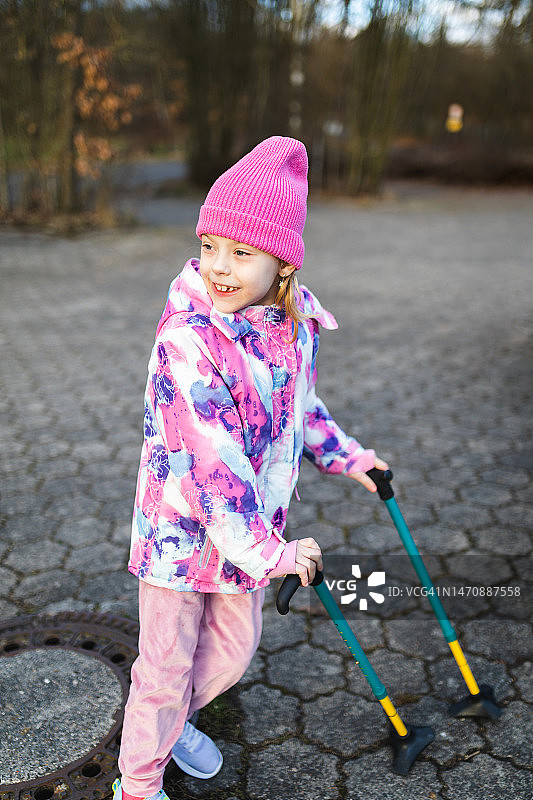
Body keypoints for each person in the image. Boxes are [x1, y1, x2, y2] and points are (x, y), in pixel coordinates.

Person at [112, 136, 388, 800]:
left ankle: (171, 725)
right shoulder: (188, 340)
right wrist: (272, 553)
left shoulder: (287, 330)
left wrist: (350, 458)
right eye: (209, 246)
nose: (217, 266)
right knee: (165, 666)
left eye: (240, 251)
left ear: (283, 264)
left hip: (245, 539)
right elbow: (214, 466)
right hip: (182, 538)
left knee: (230, 655)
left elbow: (301, 410)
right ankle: (138, 783)